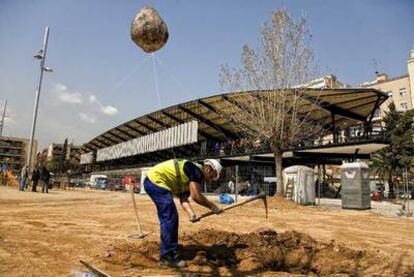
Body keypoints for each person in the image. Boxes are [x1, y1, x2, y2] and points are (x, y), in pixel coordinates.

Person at [144, 158, 223, 268]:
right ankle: (167, 257)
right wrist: (213, 207)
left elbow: (184, 198)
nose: (210, 180)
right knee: (170, 217)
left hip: (153, 182)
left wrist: (192, 214)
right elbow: (196, 196)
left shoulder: (189, 178)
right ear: (209, 169)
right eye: (212, 177)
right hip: (155, 181)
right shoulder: (196, 171)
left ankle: (169, 252)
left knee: (171, 217)